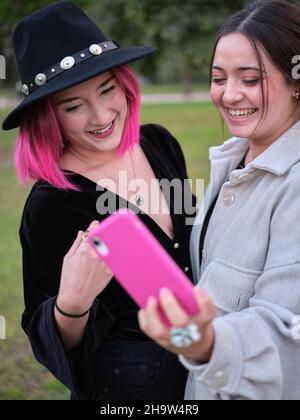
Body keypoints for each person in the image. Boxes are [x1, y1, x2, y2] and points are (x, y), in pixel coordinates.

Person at [2, 1, 196, 400]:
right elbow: (56, 342)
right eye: (73, 106)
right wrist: (72, 302)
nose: (101, 115)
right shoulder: (52, 205)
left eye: (107, 89)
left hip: (208, 360)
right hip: (135, 386)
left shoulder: (158, 143)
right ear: (48, 117)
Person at [138, 0, 300, 400]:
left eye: (249, 79)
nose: (229, 95)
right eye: (218, 77)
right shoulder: (232, 159)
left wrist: (203, 343)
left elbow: (285, 333)